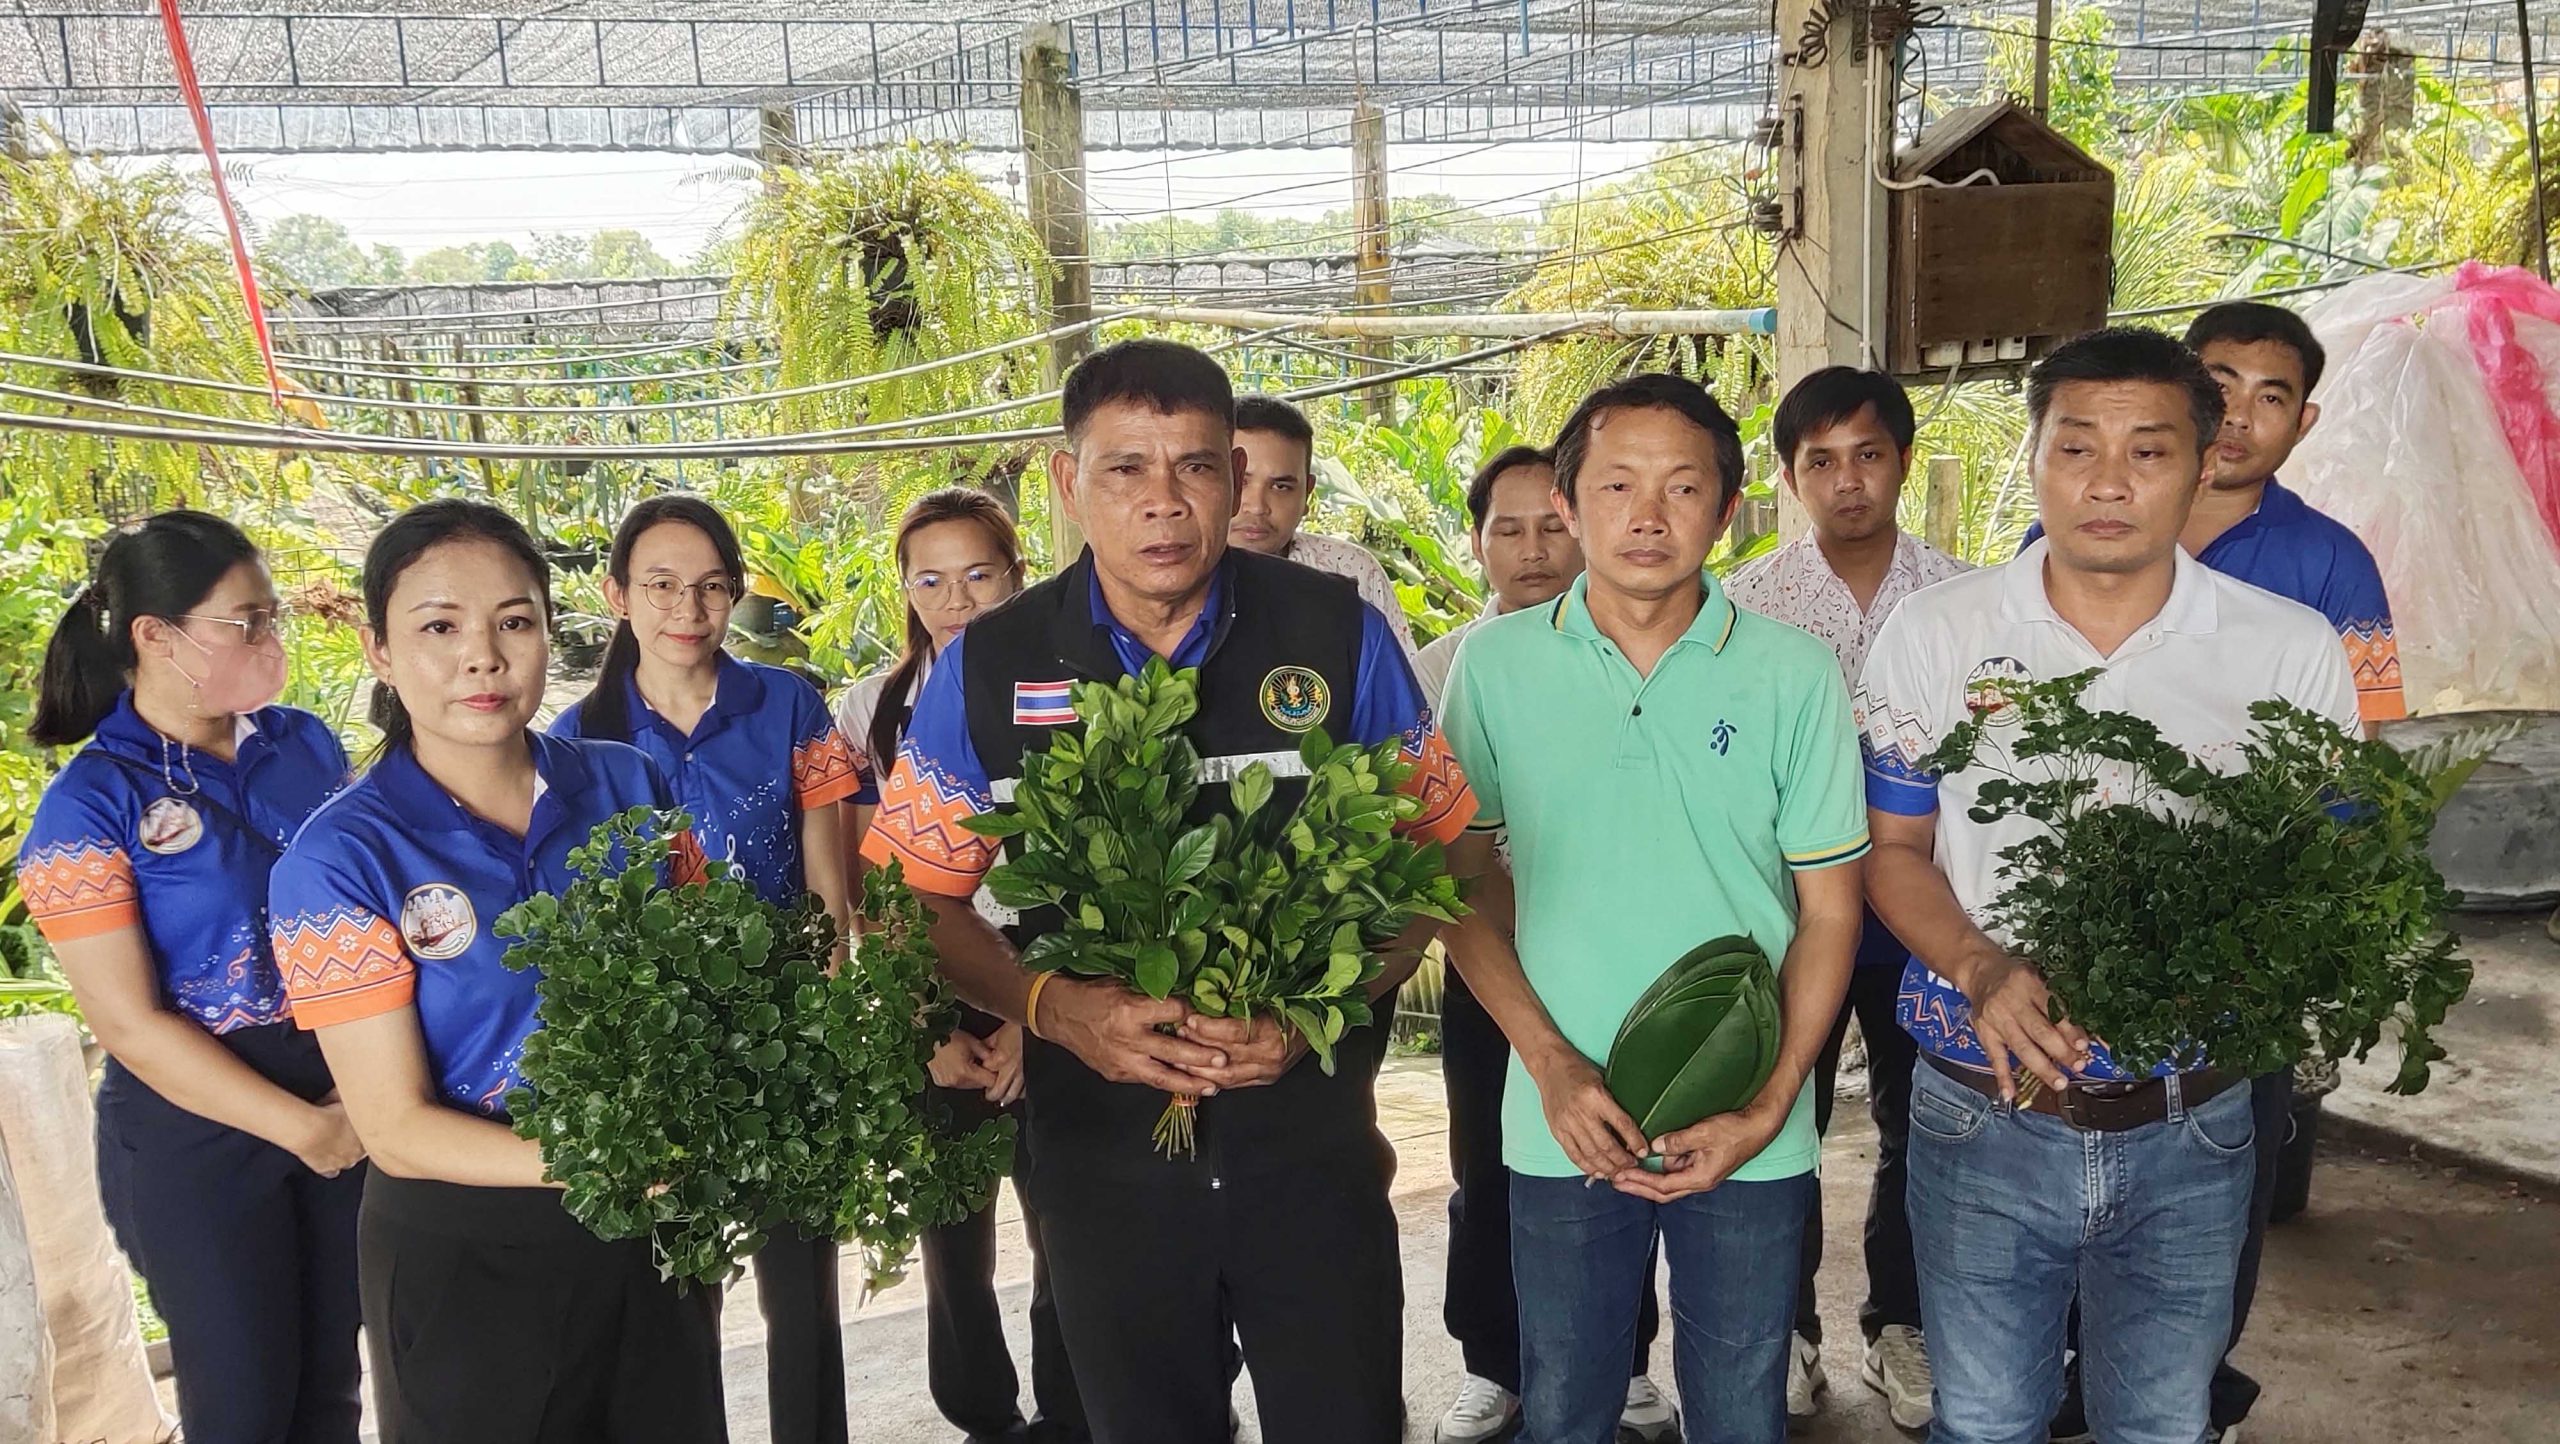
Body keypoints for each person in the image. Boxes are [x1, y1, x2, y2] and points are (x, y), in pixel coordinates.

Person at [858, 339, 1475, 1444]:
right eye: (1125, 469)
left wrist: (1312, 1009)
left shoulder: (1337, 637)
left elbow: (1441, 860)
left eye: (1193, 467)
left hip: (1311, 1154)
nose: (1163, 503)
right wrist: (1053, 1007)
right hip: (1104, 1177)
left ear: (1236, 480)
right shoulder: (991, 668)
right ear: (1065, 484)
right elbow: (912, 901)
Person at [1857, 328, 2359, 1444]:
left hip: (2195, 1115)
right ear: (2030, 455)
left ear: (2204, 459)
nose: (2108, 481)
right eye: (2075, 446)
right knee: (1983, 1417)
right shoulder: (1938, 633)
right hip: (1978, 1101)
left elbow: (2320, 867)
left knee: (2161, 1422)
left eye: (2147, 450)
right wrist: (1981, 965)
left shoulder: (2286, 649)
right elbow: (1889, 852)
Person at [1439, 373, 1870, 1444]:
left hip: (1744, 1117)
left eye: (1682, 488)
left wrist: (1770, 1103)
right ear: (1572, 500)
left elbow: (1829, 912)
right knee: (1568, 1402)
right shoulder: (1491, 666)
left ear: (1727, 512)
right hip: (1560, 1114)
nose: (1646, 515)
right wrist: (1547, 1062)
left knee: (1739, 1406)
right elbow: (1455, 885)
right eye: (1616, 484)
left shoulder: (1793, 672)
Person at [2021, 302, 2406, 1444]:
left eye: (2270, 394)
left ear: (2303, 420)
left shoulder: (2333, 565)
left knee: (2214, 1182)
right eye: (2219, 381)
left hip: (2234, 941)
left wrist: (2297, 906)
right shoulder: (2074, 532)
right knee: (2058, 1162)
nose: (2238, 413)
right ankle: (2060, 1382)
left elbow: (2363, 750)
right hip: (2064, 922)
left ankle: (2188, 1391)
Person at [269, 499, 727, 1443]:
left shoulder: (629, 787)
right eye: (439, 627)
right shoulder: (340, 859)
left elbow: (703, 975)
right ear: (381, 652)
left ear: (550, 633)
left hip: (649, 1238)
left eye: (513, 622)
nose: (482, 656)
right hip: (468, 1255)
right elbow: (393, 1129)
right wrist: (611, 1163)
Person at [20, 511, 365, 1444]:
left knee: (333, 1387)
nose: (271, 639)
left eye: (272, 616)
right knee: (244, 1403)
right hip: (199, 1129)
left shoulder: (302, 745)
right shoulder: (90, 805)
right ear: (156, 638)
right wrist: (309, 1129)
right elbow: (128, 1024)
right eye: (245, 621)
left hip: (343, 1089)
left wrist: (362, 1097)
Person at [549, 495, 864, 1444]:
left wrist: (831, 995)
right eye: (660, 586)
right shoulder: (573, 742)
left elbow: (827, 879)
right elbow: (586, 919)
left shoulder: (789, 703)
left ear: (732, 596)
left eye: (710, 587)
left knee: (800, 1281)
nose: (687, 609)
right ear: (617, 596)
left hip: (788, 1028)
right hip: (662, 1050)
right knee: (679, 1291)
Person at [1418, 446, 1675, 1444]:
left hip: (1614, 966)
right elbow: (1435, 848)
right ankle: (1493, 1363)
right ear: (1477, 541)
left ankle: (1626, 1364)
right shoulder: (1440, 669)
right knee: (1491, 1168)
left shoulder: (1640, 657)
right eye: (1506, 528)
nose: (1531, 549)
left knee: (1630, 1155)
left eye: (1549, 525)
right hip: (1493, 968)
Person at [1726, 366, 1967, 1431]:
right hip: (1790, 920)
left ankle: (1899, 1325)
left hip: (1926, 920)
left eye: (1867, 453)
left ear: (1903, 461)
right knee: (1781, 1121)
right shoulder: (1740, 607)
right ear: (1788, 477)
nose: (1846, 479)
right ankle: (1785, 1330)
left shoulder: (1968, 599)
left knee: (1927, 1128)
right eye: (1818, 460)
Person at [836, 487, 1088, 1444]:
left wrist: (1036, 1011)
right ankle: (983, 1412)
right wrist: (923, 1021)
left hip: (1056, 973)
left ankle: (1072, 1410)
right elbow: (876, 891)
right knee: (953, 1226)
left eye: (978, 574)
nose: (956, 598)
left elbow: (1090, 868)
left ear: (1016, 575)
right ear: (905, 589)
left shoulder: (1070, 685)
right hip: (929, 979)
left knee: (1066, 1219)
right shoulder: (871, 708)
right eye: (930, 579)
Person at [1227, 393, 1420, 655]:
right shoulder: (1170, 576)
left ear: (1307, 494)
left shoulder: (1354, 575)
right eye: (1241, 481)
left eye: (1281, 486)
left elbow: (1396, 687)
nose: (1257, 506)